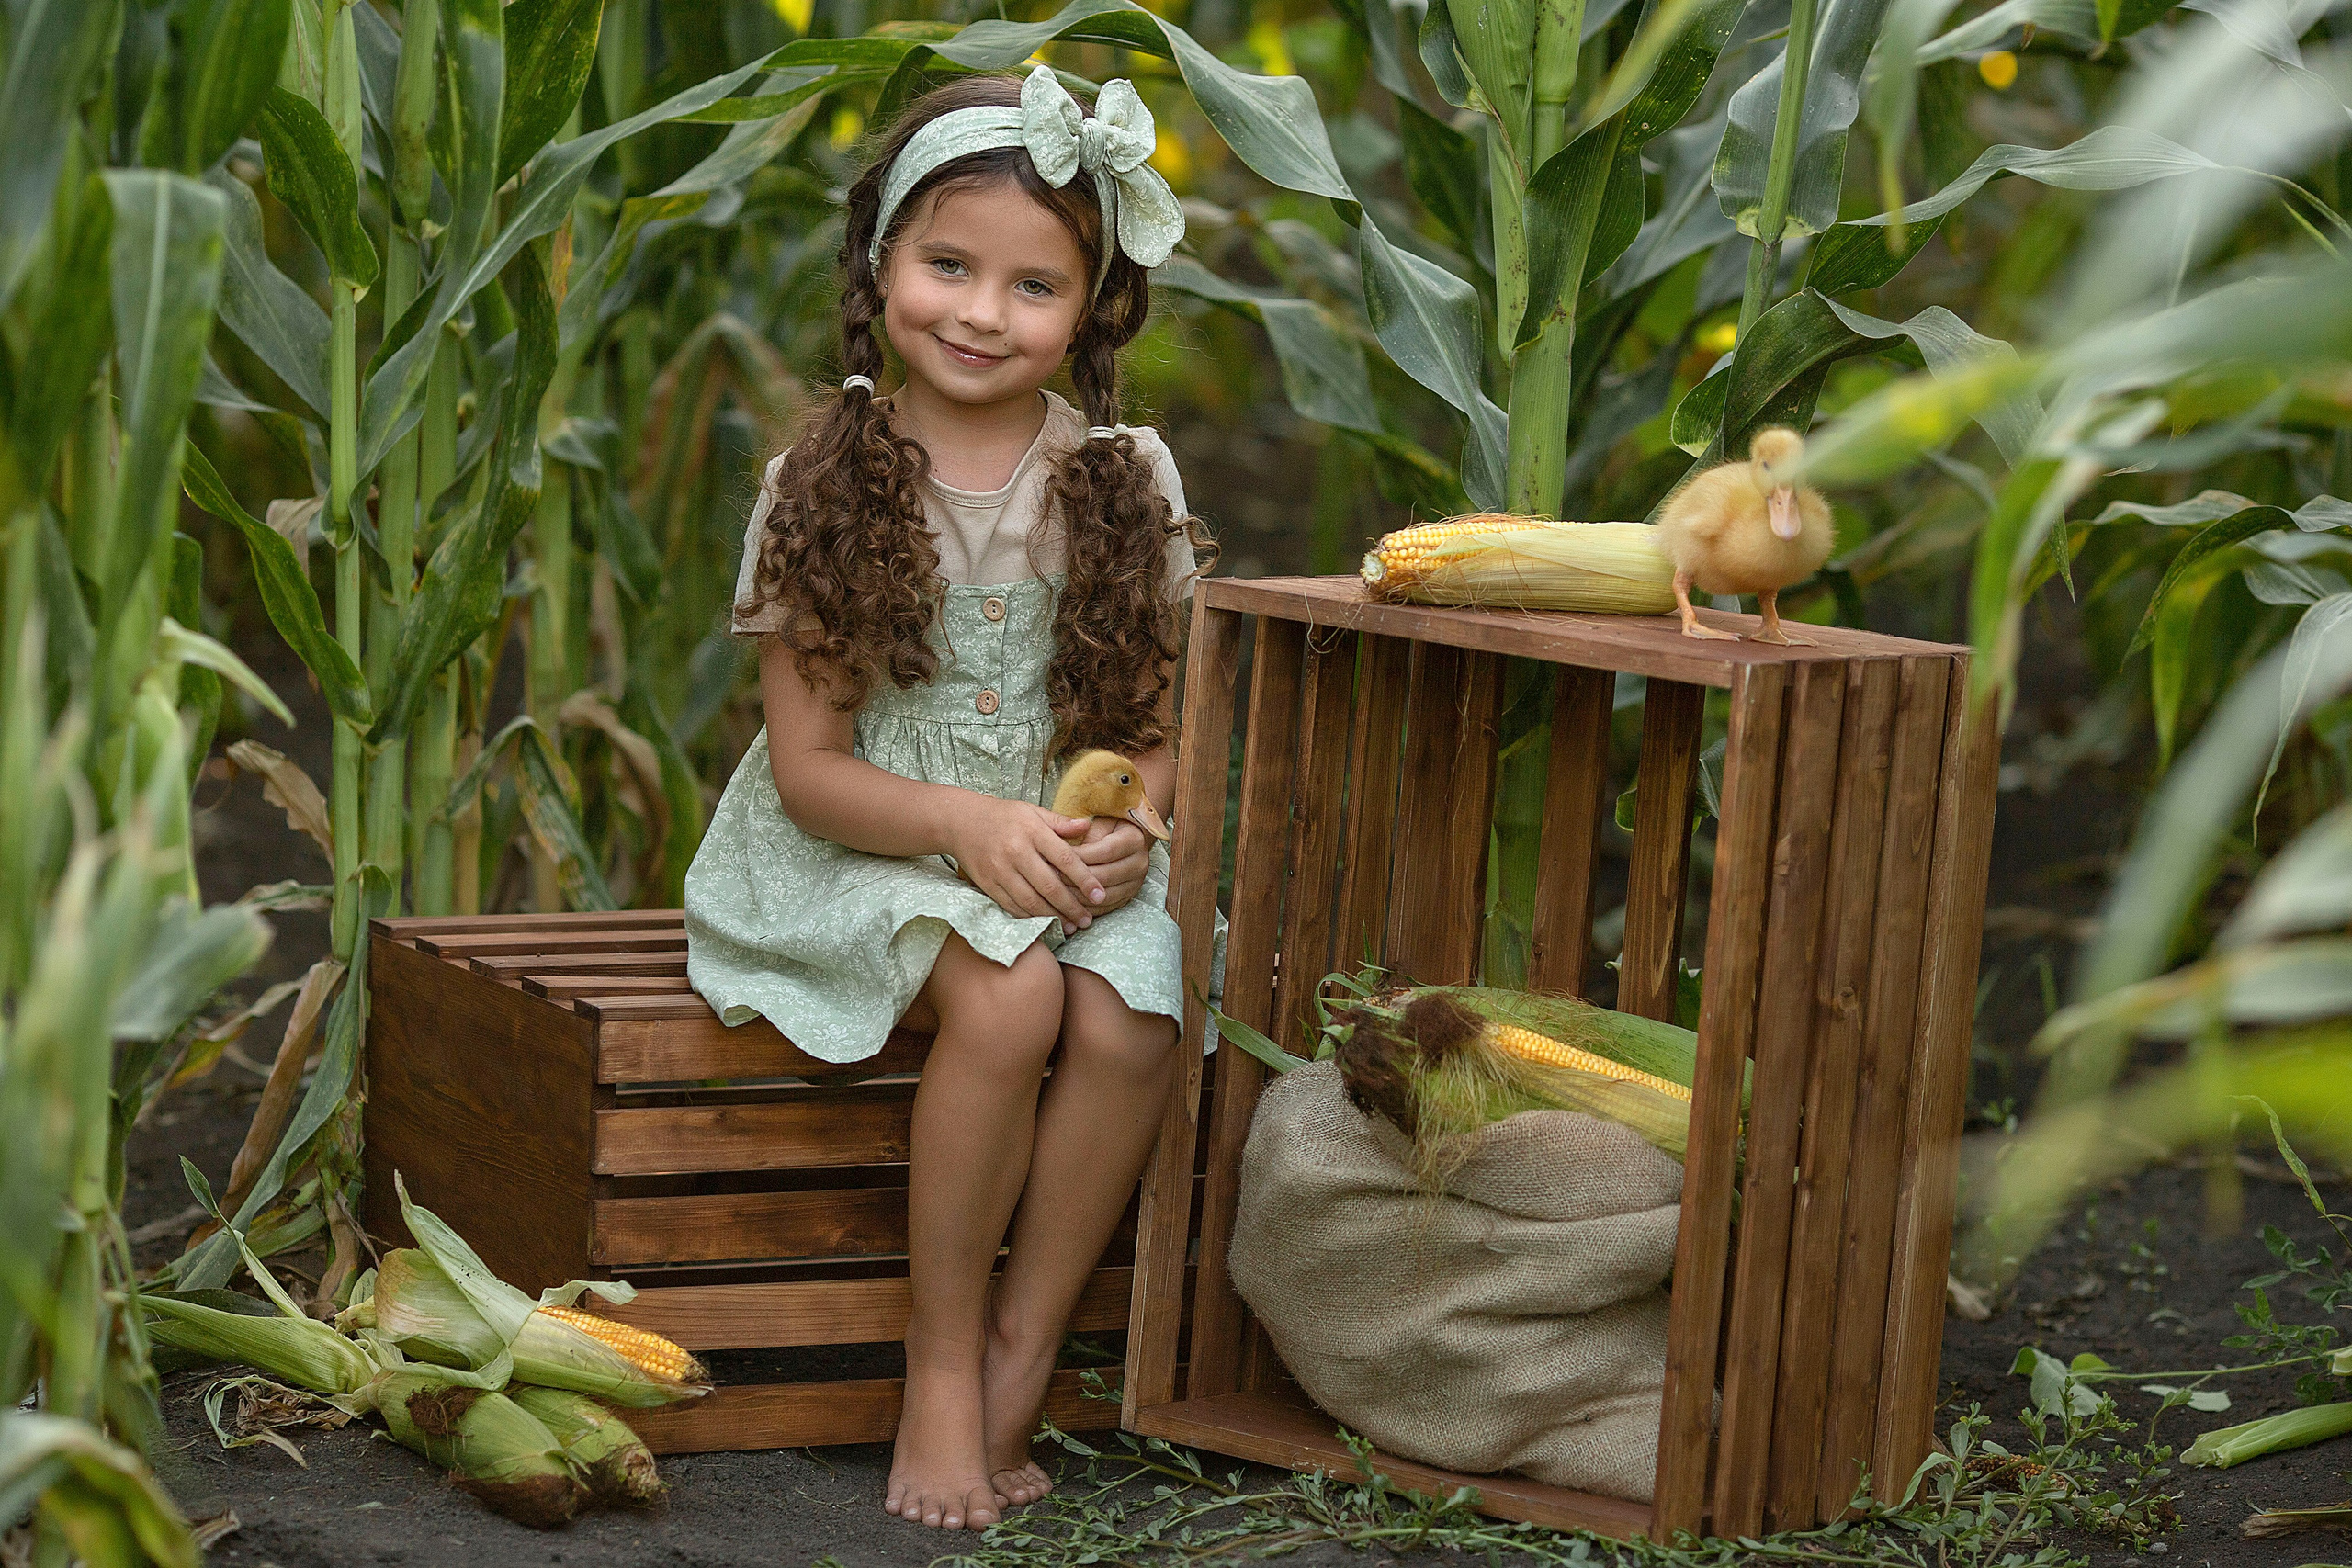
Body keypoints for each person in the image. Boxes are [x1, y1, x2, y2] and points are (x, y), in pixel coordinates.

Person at [684, 64, 1225, 1534]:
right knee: (1007, 999)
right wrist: (972, 830)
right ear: (880, 268)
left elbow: (1157, 725)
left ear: (1093, 309)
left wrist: (1136, 823)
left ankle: (1021, 1344)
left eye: (1033, 284)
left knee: (1136, 1006)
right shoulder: (830, 476)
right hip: (866, 845)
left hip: (1056, 850)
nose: (983, 313)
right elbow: (810, 771)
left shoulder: (1121, 476)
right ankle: (936, 1359)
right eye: (947, 266)